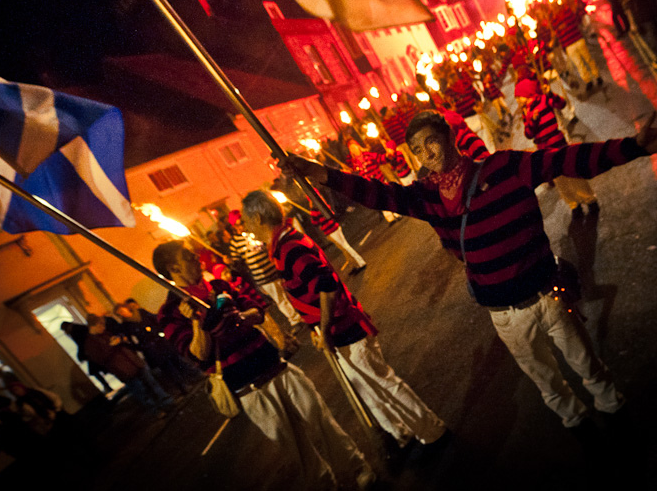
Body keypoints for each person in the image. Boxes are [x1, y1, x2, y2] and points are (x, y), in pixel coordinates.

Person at [278, 108, 657, 448]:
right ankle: (576, 422)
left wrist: (636, 146)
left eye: (431, 142)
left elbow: (567, 160)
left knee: (585, 361)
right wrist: (318, 172)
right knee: (544, 377)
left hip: (549, 293)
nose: (427, 155)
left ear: (449, 138)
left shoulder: (506, 167)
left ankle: (614, 410)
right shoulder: (426, 198)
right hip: (504, 312)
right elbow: (375, 193)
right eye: (418, 151)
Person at [152, 240, 375, 490]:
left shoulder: (218, 285)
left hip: (276, 366)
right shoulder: (169, 313)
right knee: (296, 446)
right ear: (173, 268)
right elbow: (198, 355)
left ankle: (357, 467)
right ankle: (325, 484)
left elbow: (256, 311)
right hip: (250, 389)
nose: (197, 257)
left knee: (321, 418)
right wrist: (197, 322)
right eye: (188, 256)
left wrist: (238, 316)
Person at [241, 190, 448, 453]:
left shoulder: (289, 247)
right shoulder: (281, 246)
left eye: (247, 222)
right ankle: (402, 433)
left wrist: (324, 330)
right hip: (334, 331)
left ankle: (433, 431)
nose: (247, 229)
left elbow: (327, 287)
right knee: (369, 388)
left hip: (345, 329)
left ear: (258, 218)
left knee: (383, 382)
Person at [515, 77, 598, 218]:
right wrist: (533, 121)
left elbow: (561, 104)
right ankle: (574, 204)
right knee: (559, 180)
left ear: (527, 93)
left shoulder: (543, 99)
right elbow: (528, 134)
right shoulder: (525, 111)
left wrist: (550, 94)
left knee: (571, 172)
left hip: (558, 143)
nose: (517, 100)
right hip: (544, 150)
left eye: (518, 96)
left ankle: (590, 199)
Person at [226, 209, 306, 336]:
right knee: (280, 299)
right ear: (234, 226)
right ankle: (295, 320)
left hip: (274, 268)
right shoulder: (235, 243)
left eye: (243, 222)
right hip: (262, 276)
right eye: (238, 224)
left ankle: (304, 312)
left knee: (292, 292)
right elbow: (237, 262)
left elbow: (269, 243)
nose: (242, 225)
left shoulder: (254, 232)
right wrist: (231, 261)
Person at [83, 314, 174, 417]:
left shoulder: (105, 334)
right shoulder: (90, 344)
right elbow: (100, 359)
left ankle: (167, 402)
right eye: (101, 325)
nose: (103, 327)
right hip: (123, 370)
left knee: (152, 383)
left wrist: (121, 340)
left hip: (134, 362)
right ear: (93, 326)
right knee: (141, 392)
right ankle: (156, 411)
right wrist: (111, 346)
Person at [113, 301, 199, 394]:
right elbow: (134, 341)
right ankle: (183, 387)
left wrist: (161, 331)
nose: (123, 313)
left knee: (177, 361)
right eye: (120, 313)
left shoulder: (141, 313)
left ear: (126, 308)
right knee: (169, 369)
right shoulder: (126, 326)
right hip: (152, 350)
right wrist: (144, 346)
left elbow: (155, 320)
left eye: (122, 310)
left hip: (162, 342)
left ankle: (194, 377)